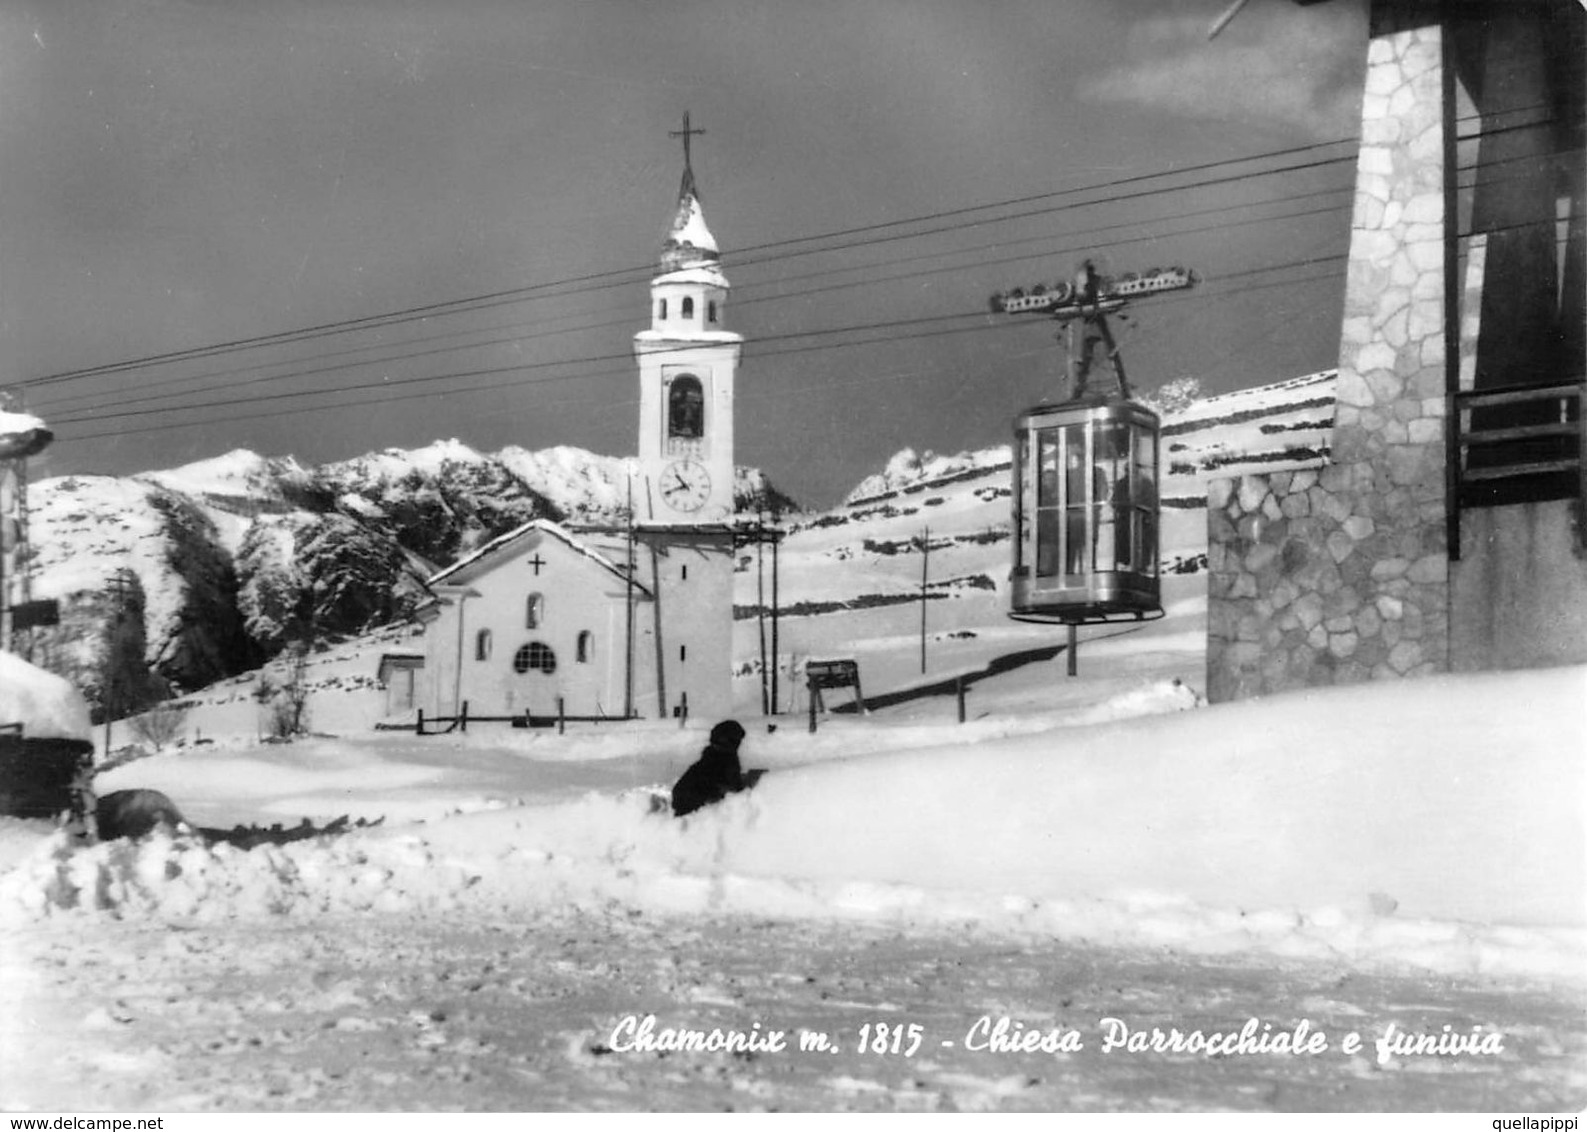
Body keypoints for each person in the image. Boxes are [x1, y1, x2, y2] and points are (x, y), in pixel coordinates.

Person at [671, 719, 756, 817]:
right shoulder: (726, 762)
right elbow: (734, 788)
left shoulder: (709, 760)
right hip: (697, 812)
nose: (739, 745)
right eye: (738, 741)